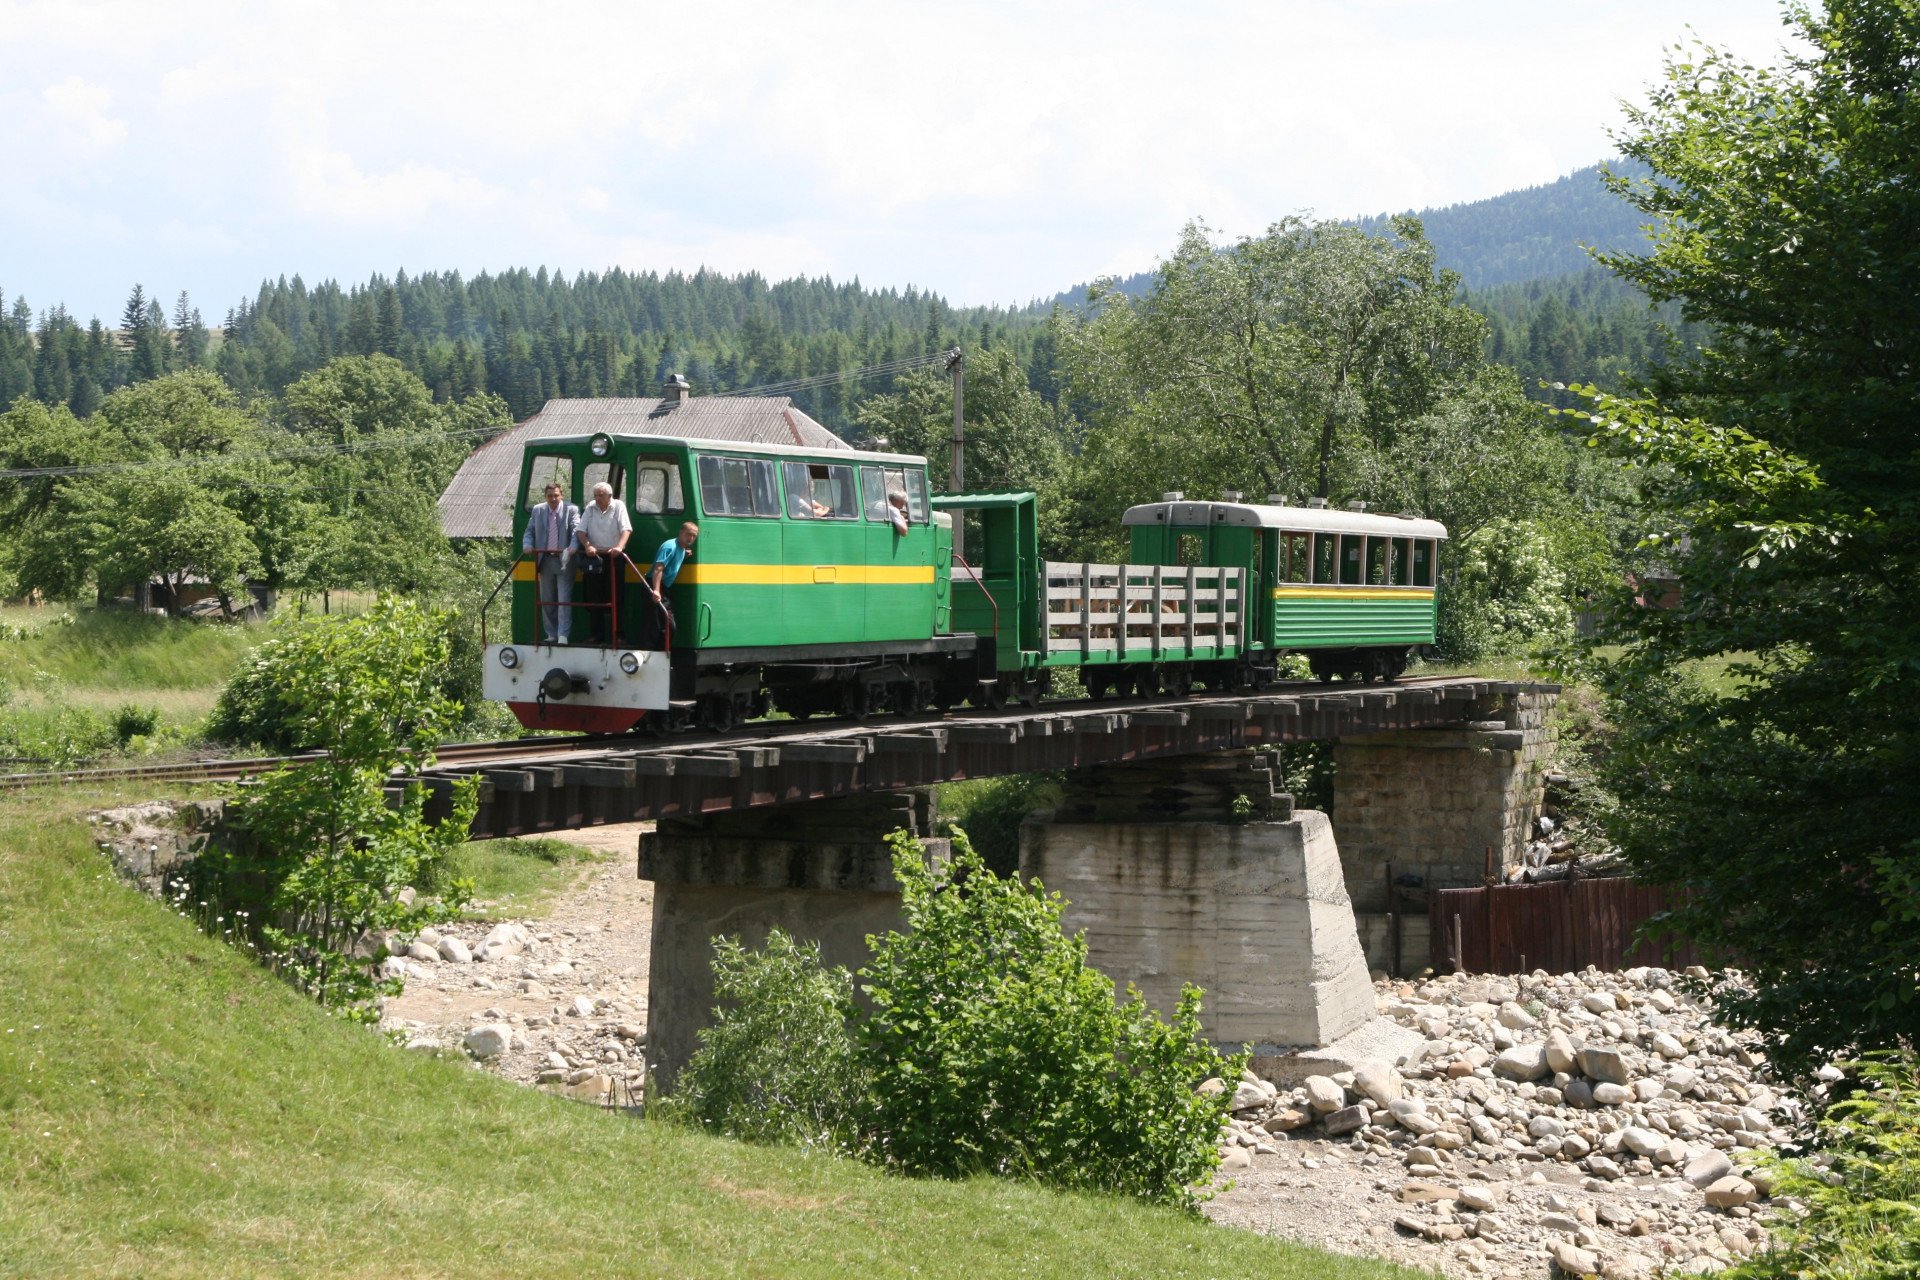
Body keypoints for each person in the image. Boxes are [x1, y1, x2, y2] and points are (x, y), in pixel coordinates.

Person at [521, 482, 578, 644]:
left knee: (563, 599)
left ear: (562, 495)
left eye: (556, 495)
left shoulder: (571, 510)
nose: (553, 499)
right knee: (547, 599)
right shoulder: (538, 510)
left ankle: (563, 635)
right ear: (545, 497)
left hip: (564, 561)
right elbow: (529, 531)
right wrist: (527, 545)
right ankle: (551, 633)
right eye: (550, 496)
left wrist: (573, 547)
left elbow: (576, 530)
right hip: (545, 561)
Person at [575, 481, 632, 644]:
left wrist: (619, 547)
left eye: (601, 495)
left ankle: (618, 635)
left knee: (616, 596)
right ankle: (596, 635)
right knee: (594, 597)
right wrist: (587, 545)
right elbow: (580, 530)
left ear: (609, 496)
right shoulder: (590, 508)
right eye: (596, 495)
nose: (598, 498)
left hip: (614, 557)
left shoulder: (619, 506)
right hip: (595, 557)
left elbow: (626, 529)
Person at [641, 522, 699, 650]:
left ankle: (659, 650)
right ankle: (652, 650)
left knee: (665, 624)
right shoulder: (670, 546)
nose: (691, 538)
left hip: (664, 587)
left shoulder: (681, 548)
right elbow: (658, 568)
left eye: (694, 536)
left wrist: (685, 554)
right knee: (657, 622)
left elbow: (676, 557)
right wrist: (656, 590)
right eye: (688, 534)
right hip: (655, 584)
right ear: (680, 532)